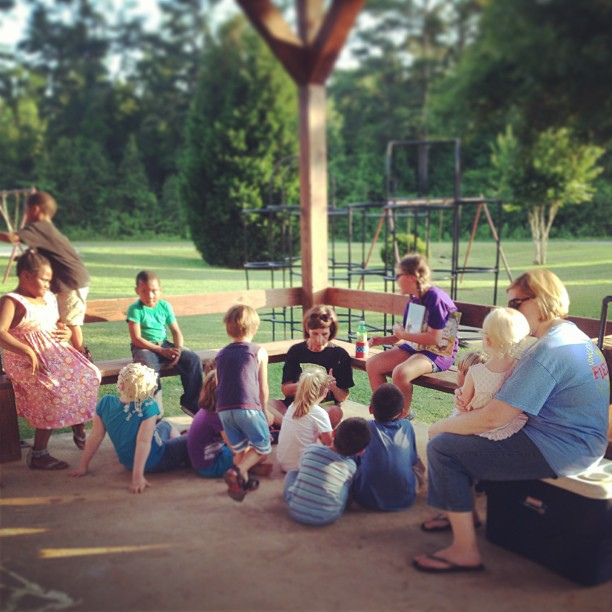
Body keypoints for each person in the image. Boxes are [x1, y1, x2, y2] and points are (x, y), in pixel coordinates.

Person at [414, 269, 610, 573]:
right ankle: (462, 511)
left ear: (541, 299)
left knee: (443, 447)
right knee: (461, 436)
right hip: (584, 442)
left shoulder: (547, 351)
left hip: (564, 449)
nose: (510, 312)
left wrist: (439, 427)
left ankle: (464, 550)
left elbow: (494, 419)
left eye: (516, 304)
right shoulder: (575, 336)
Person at [420, 309, 530, 533]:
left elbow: (464, 406)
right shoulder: (522, 368)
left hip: (480, 427)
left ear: (487, 339)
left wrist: (461, 398)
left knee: (438, 442)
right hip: (511, 427)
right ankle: (464, 510)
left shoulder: (477, 372)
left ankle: (453, 508)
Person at [0, 249, 100, 469]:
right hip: (26, 361)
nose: (48, 284)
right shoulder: (12, 301)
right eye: (43, 280)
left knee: (89, 374)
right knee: (53, 390)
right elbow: (1, 332)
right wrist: (26, 351)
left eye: (49, 280)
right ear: (25, 276)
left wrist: (64, 333)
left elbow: (56, 324)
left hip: (54, 353)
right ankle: (38, 453)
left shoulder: (48, 298)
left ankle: (76, 421)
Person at [70, 362, 190, 493]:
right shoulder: (149, 406)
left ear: (120, 386)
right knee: (191, 439)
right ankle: (183, 453)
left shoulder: (105, 403)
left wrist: (83, 466)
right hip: (156, 460)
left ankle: (177, 446)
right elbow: (143, 442)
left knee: (166, 425)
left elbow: (95, 436)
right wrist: (137, 478)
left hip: (128, 463)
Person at [0, 191, 92, 357]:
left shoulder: (39, 227)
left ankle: (82, 354)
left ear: (35, 209)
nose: (25, 214)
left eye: (26, 210)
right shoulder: (46, 229)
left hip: (72, 280)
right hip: (72, 279)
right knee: (63, 319)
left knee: (70, 321)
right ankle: (65, 353)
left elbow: (12, 238)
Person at [366, 253, 459, 417]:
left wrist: (404, 334)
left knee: (401, 373)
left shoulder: (435, 298)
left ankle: (402, 416)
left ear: (411, 277)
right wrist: (384, 340)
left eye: (398, 275)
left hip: (438, 352)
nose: (396, 280)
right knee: (373, 364)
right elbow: (409, 333)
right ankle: (385, 415)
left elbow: (435, 338)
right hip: (415, 348)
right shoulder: (414, 298)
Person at [216, 304, 274, 502]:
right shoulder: (259, 351)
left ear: (228, 329)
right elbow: (262, 387)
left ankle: (241, 485)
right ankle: (238, 471)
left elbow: (218, 384)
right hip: (247, 407)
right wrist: (264, 410)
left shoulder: (220, 354)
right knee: (263, 445)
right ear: (255, 328)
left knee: (240, 450)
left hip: (224, 410)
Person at [126, 270, 203, 418]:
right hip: (143, 347)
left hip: (164, 344)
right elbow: (136, 338)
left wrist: (178, 350)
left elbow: (176, 332)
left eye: (154, 291)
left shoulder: (165, 306)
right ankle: (156, 411)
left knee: (192, 359)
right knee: (149, 369)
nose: (149, 295)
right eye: (144, 291)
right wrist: (161, 351)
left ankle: (191, 402)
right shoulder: (135, 309)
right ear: (137, 291)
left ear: (160, 290)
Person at [269, 305, 354, 429]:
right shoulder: (296, 351)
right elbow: (286, 390)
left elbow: (342, 397)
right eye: (315, 334)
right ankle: (292, 426)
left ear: (331, 332)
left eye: (324, 334)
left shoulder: (339, 355)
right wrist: (309, 383)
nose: (319, 340)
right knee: (264, 404)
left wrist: (333, 387)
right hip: (294, 404)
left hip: (322, 407)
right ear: (307, 330)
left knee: (336, 413)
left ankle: (289, 426)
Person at [284, 417, 372, 526]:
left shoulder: (311, 449)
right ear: (361, 452)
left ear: (333, 432)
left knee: (292, 472)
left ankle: (300, 496)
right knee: (345, 485)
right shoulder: (351, 466)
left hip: (294, 509)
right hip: (327, 516)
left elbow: (301, 469)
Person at [352, 383, 419, 512]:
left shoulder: (364, 427)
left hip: (364, 497)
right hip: (406, 498)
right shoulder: (407, 426)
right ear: (401, 413)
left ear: (370, 409)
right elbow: (413, 460)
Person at [276, 368, 334, 472]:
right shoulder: (319, 413)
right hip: (300, 467)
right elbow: (330, 444)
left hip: (283, 463)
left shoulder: (292, 406)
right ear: (325, 392)